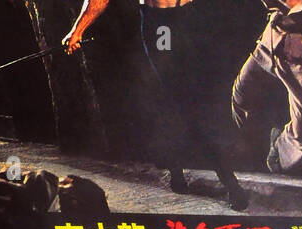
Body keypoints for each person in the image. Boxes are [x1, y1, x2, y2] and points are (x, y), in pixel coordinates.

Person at [62, 0, 248, 210]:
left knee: (189, 103)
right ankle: (181, 174)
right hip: (165, 24)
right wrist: (78, 30)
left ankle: (227, 182)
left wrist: (77, 30)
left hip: (181, 21)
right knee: (172, 98)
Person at [232, 0, 302, 176]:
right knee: (241, 95)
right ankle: (248, 151)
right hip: (272, 40)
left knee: (299, 146)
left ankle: (279, 144)